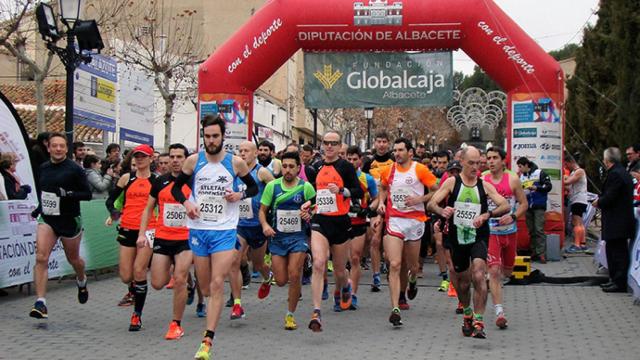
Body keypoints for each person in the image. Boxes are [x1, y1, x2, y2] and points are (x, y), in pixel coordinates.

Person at [170, 115, 258, 360]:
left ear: (223, 136)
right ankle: (199, 298)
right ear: (203, 136)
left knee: (218, 282)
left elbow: (252, 188)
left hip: (225, 230)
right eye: (207, 136)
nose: (211, 140)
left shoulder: (235, 163)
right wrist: (187, 202)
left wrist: (238, 196)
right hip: (199, 229)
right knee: (206, 285)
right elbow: (177, 188)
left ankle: (207, 339)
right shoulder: (193, 161)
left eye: (215, 136)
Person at [427, 146, 509, 339]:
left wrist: (487, 214)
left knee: (479, 274)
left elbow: (504, 204)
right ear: (462, 162)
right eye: (471, 163)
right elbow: (431, 203)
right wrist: (441, 211)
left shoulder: (484, 185)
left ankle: (479, 321)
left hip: (478, 235)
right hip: (457, 237)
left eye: (478, 164)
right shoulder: (451, 182)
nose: (475, 167)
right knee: (463, 283)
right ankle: (467, 313)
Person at [29, 132, 92, 319]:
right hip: (48, 218)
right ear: (48, 148)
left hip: (69, 219)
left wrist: (68, 194)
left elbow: (87, 194)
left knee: (74, 259)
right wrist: (39, 209)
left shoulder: (75, 169)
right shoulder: (43, 168)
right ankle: (41, 303)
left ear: (66, 149)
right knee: (41, 257)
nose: (57, 149)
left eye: (61, 146)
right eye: (54, 145)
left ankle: (81, 279)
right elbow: (46, 193)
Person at [375, 138, 437, 326]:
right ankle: (395, 307)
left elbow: (437, 190)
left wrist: (420, 199)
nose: (397, 153)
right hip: (394, 220)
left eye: (401, 150)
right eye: (395, 150)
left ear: (410, 152)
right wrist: (380, 203)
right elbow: (383, 187)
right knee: (394, 263)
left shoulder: (419, 169)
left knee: (413, 266)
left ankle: (412, 280)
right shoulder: (389, 170)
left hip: (415, 221)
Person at [308, 131, 363, 332]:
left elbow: (358, 192)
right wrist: (309, 203)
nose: (329, 147)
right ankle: (316, 312)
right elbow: (314, 193)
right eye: (326, 143)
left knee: (339, 270)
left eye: (334, 143)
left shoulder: (346, 167)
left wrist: (342, 191)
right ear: (322, 145)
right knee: (319, 263)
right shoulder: (314, 167)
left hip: (340, 222)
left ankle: (345, 285)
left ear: (340, 146)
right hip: (320, 221)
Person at [137, 143, 193, 339]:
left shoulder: (193, 181)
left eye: (179, 156)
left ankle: (176, 324)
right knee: (158, 283)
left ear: (187, 159)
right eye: (172, 156)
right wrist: (142, 234)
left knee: (179, 279)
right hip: (162, 237)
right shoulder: (160, 181)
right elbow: (148, 209)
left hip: (186, 239)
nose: (176, 160)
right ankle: (189, 284)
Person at [259, 151, 315, 330]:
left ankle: (290, 315)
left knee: (294, 274)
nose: (288, 170)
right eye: (285, 166)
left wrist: (310, 213)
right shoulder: (272, 187)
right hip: (278, 238)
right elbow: (262, 211)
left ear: (299, 168)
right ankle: (270, 277)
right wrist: (265, 226)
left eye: (292, 166)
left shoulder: (306, 187)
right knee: (281, 280)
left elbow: (317, 208)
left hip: (298, 237)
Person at [105, 144, 157, 329]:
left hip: (149, 230)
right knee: (126, 275)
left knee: (139, 270)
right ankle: (133, 290)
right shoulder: (127, 178)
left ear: (151, 159)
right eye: (137, 156)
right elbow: (111, 200)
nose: (139, 159)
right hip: (127, 227)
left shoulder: (157, 181)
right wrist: (113, 213)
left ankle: (137, 314)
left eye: (144, 156)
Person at [228, 141, 275, 320]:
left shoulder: (261, 172)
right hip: (239, 225)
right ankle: (237, 304)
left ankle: (267, 276)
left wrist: (269, 210)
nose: (242, 153)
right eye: (240, 150)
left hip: (258, 225)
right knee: (235, 261)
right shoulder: (235, 172)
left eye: (246, 151)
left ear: (255, 153)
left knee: (258, 263)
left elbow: (275, 189)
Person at [482, 147, 527, 329]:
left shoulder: (513, 179)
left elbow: (524, 204)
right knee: (494, 271)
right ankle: (499, 312)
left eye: (494, 158)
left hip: (509, 231)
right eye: (488, 158)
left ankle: (492, 282)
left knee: (506, 272)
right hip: (490, 232)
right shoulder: (482, 179)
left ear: (503, 160)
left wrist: (514, 216)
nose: (491, 161)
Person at [593, 147, 635, 293]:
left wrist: (598, 202)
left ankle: (619, 281)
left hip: (618, 220)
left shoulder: (616, 174)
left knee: (618, 253)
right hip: (618, 220)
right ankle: (614, 279)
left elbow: (611, 196)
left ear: (607, 160)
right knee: (613, 250)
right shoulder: (621, 172)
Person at [345, 146, 378, 310]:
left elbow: (376, 198)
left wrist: (368, 210)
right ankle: (342, 289)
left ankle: (353, 294)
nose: (351, 162)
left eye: (354, 159)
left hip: (358, 222)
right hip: (341, 222)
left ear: (360, 160)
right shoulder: (339, 176)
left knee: (355, 258)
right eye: (348, 159)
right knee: (341, 262)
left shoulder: (367, 179)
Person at [362, 131, 394, 292]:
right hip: (373, 206)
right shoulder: (368, 163)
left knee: (388, 251)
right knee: (374, 241)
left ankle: (389, 266)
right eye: (379, 141)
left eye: (384, 141)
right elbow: (363, 184)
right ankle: (376, 277)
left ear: (388, 143)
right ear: (374, 143)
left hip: (391, 207)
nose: (381, 145)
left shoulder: (394, 161)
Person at [516, 157, 552, 263]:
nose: (519, 169)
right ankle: (534, 252)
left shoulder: (539, 173)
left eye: (520, 166)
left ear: (526, 165)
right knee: (531, 231)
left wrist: (537, 188)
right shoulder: (522, 177)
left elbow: (549, 186)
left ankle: (541, 254)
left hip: (539, 206)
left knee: (539, 230)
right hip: (528, 207)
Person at [564, 153, 589, 253]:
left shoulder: (579, 171)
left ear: (571, 162)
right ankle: (582, 243)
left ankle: (577, 244)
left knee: (576, 222)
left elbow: (568, 182)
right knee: (580, 222)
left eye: (566, 164)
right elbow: (568, 186)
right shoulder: (573, 172)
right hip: (576, 199)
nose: (566, 167)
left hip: (579, 199)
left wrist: (561, 178)